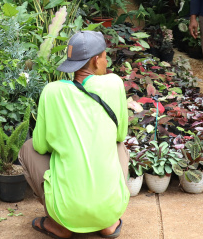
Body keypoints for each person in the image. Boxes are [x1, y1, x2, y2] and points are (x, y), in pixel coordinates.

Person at [19, 30, 128, 239]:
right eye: (105, 57)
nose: (107, 62)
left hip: (66, 210)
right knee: (119, 145)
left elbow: (41, 147)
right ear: (96, 61)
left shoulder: (52, 91)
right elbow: (120, 134)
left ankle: (61, 224)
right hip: (111, 208)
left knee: (28, 148)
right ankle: (107, 222)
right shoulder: (115, 84)